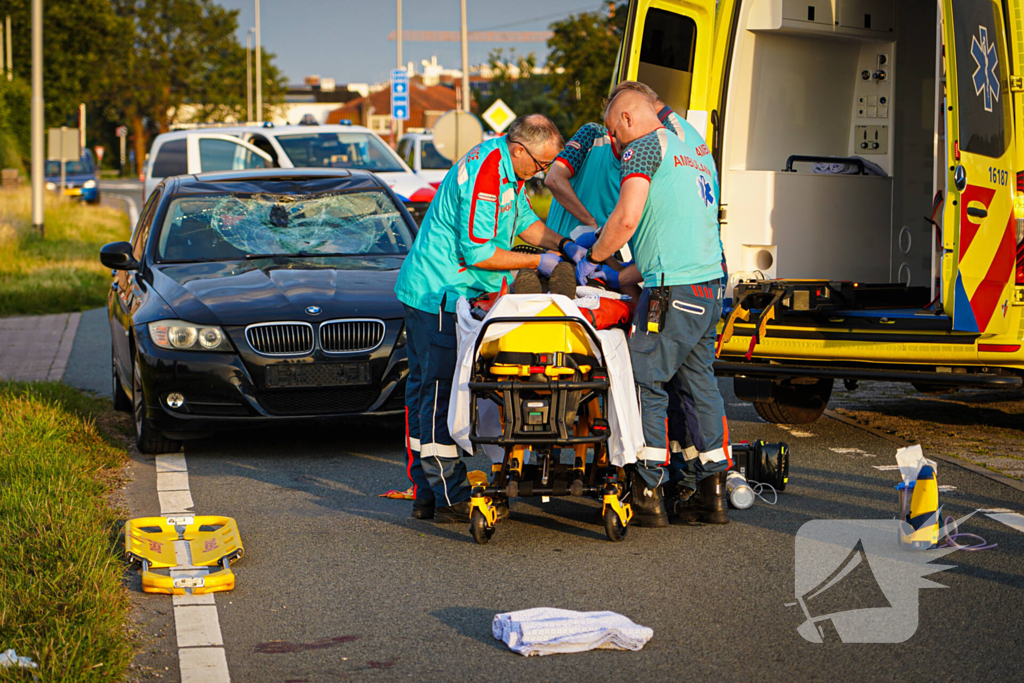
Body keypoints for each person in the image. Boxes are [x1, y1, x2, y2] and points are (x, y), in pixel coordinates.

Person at [395, 114, 587, 524]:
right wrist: (542, 262)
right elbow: (482, 254)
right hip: (438, 294)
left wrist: (566, 244)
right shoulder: (486, 175)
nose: (542, 173)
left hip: (439, 290)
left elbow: (525, 223)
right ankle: (449, 493)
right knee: (438, 395)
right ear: (520, 149)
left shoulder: (509, 170)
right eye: (540, 165)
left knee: (424, 393)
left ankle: (426, 490)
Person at [574, 90, 731, 528]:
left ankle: (647, 490)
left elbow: (626, 220)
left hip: (669, 293)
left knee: (644, 379)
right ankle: (711, 490)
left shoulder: (644, 146)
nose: (613, 141)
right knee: (698, 383)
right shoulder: (692, 149)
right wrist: (621, 276)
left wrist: (596, 259)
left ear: (627, 118)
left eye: (612, 130)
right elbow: (669, 234)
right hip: (707, 286)